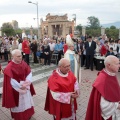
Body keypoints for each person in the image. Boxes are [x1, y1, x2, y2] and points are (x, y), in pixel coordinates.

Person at [2, 49, 36, 120]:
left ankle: (28, 115)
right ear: (13, 57)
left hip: (25, 87)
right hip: (16, 90)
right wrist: (20, 86)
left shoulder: (23, 63)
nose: (20, 57)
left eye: (21, 56)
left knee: (27, 103)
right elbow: (11, 81)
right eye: (18, 56)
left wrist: (27, 82)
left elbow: (29, 72)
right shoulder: (9, 67)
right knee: (19, 105)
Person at [85, 55, 120, 120]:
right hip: (107, 116)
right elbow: (102, 105)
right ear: (109, 65)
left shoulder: (111, 74)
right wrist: (117, 106)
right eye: (117, 64)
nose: (119, 66)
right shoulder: (102, 79)